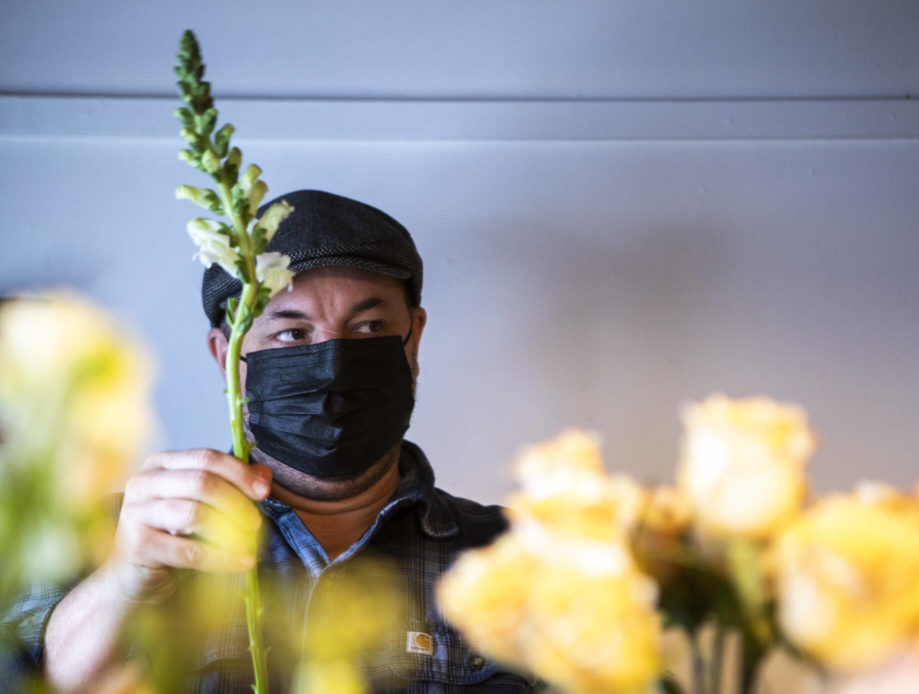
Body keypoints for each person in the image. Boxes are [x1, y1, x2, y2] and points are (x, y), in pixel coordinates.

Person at [3, 190, 540, 693]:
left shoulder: (534, 559)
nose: (333, 364)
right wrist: (122, 583)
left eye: (371, 328)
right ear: (226, 358)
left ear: (413, 339)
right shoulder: (105, 539)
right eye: (292, 334)